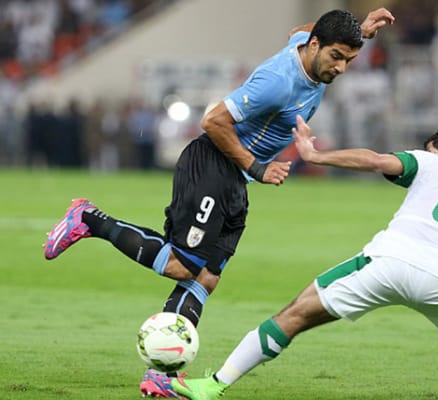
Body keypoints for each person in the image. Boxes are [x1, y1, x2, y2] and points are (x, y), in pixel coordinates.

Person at [42, 8, 395, 398]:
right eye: (336, 57)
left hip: (234, 180)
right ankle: (89, 218)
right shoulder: (278, 82)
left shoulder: (309, 47)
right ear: (315, 47)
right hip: (213, 161)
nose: (342, 68)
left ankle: (161, 373)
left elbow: (301, 29)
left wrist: (358, 32)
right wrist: (257, 167)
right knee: (182, 265)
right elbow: (213, 121)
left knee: (206, 277)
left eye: (349, 58)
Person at [169, 116, 438, 400]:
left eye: (433, 149)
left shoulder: (432, 162)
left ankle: (213, 386)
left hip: (387, 263)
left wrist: (314, 155)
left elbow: (376, 160)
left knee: (294, 315)